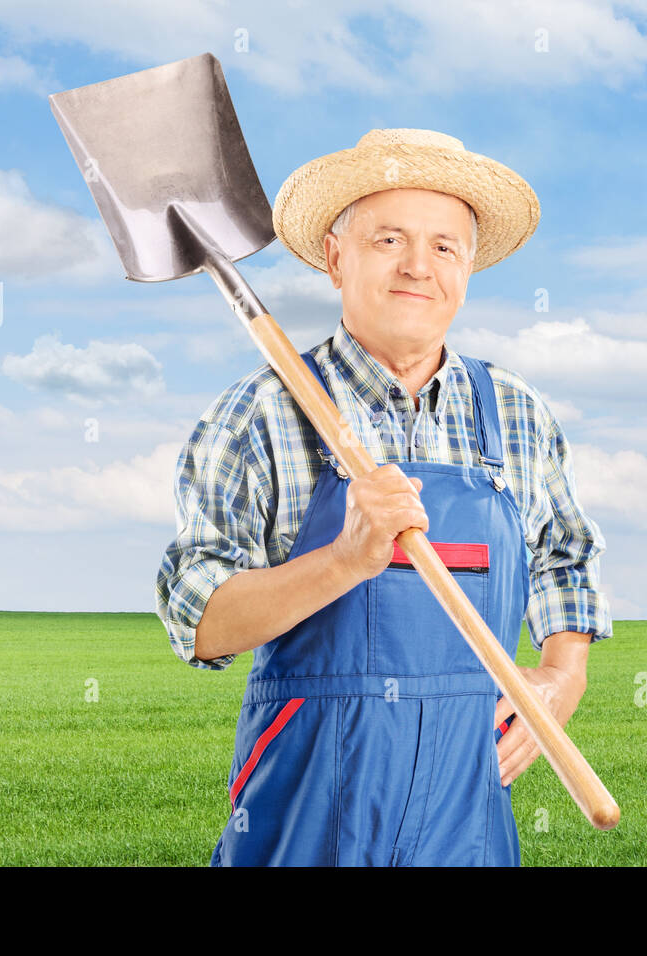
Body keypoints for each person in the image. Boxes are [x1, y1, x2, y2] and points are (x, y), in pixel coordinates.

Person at [155, 128, 612, 866]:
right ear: (336, 257)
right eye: (389, 239)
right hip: (307, 820)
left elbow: (566, 561)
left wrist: (561, 676)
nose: (416, 268)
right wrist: (343, 560)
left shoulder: (516, 413)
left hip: (466, 818)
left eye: (442, 247)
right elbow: (198, 623)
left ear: (467, 267)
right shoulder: (261, 414)